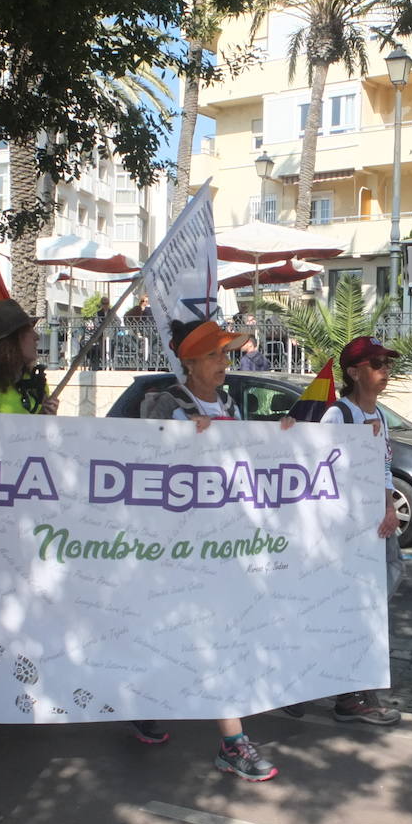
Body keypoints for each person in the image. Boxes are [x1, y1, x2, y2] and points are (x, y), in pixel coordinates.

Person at [137, 317, 282, 781]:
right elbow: (146, 465)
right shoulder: (163, 406)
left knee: (213, 636)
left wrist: (285, 435)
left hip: (225, 546)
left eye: (226, 354)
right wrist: (181, 441)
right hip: (180, 548)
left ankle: (144, 703)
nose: (226, 362)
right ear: (191, 362)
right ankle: (232, 743)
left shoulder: (230, 405)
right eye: (216, 355)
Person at [316, 336, 403, 727]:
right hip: (344, 534)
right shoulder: (340, 416)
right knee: (350, 609)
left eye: (386, 362)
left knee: (372, 606)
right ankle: (347, 694)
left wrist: (388, 506)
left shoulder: (380, 415)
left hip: (374, 529)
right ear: (354, 373)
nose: (385, 369)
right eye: (376, 363)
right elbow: (319, 470)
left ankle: (353, 689)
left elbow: (383, 468)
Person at [0, 299, 59, 415]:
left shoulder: (37, 385)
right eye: (28, 330)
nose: (36, 336)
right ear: (11, 340)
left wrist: (47, 417)